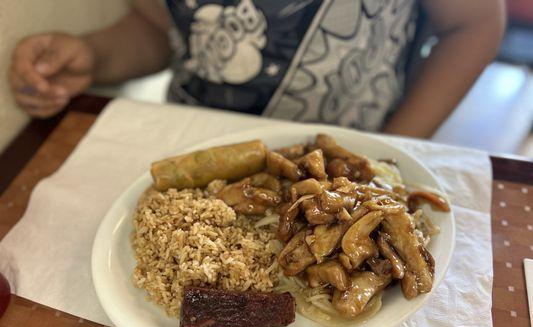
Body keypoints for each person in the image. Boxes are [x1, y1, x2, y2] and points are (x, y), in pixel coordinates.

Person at [8, 0, 505, 138]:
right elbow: (160, 28)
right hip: (194, 142)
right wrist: (93, 55)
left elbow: (475, 25)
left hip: (354, 149)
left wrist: (394, 148)